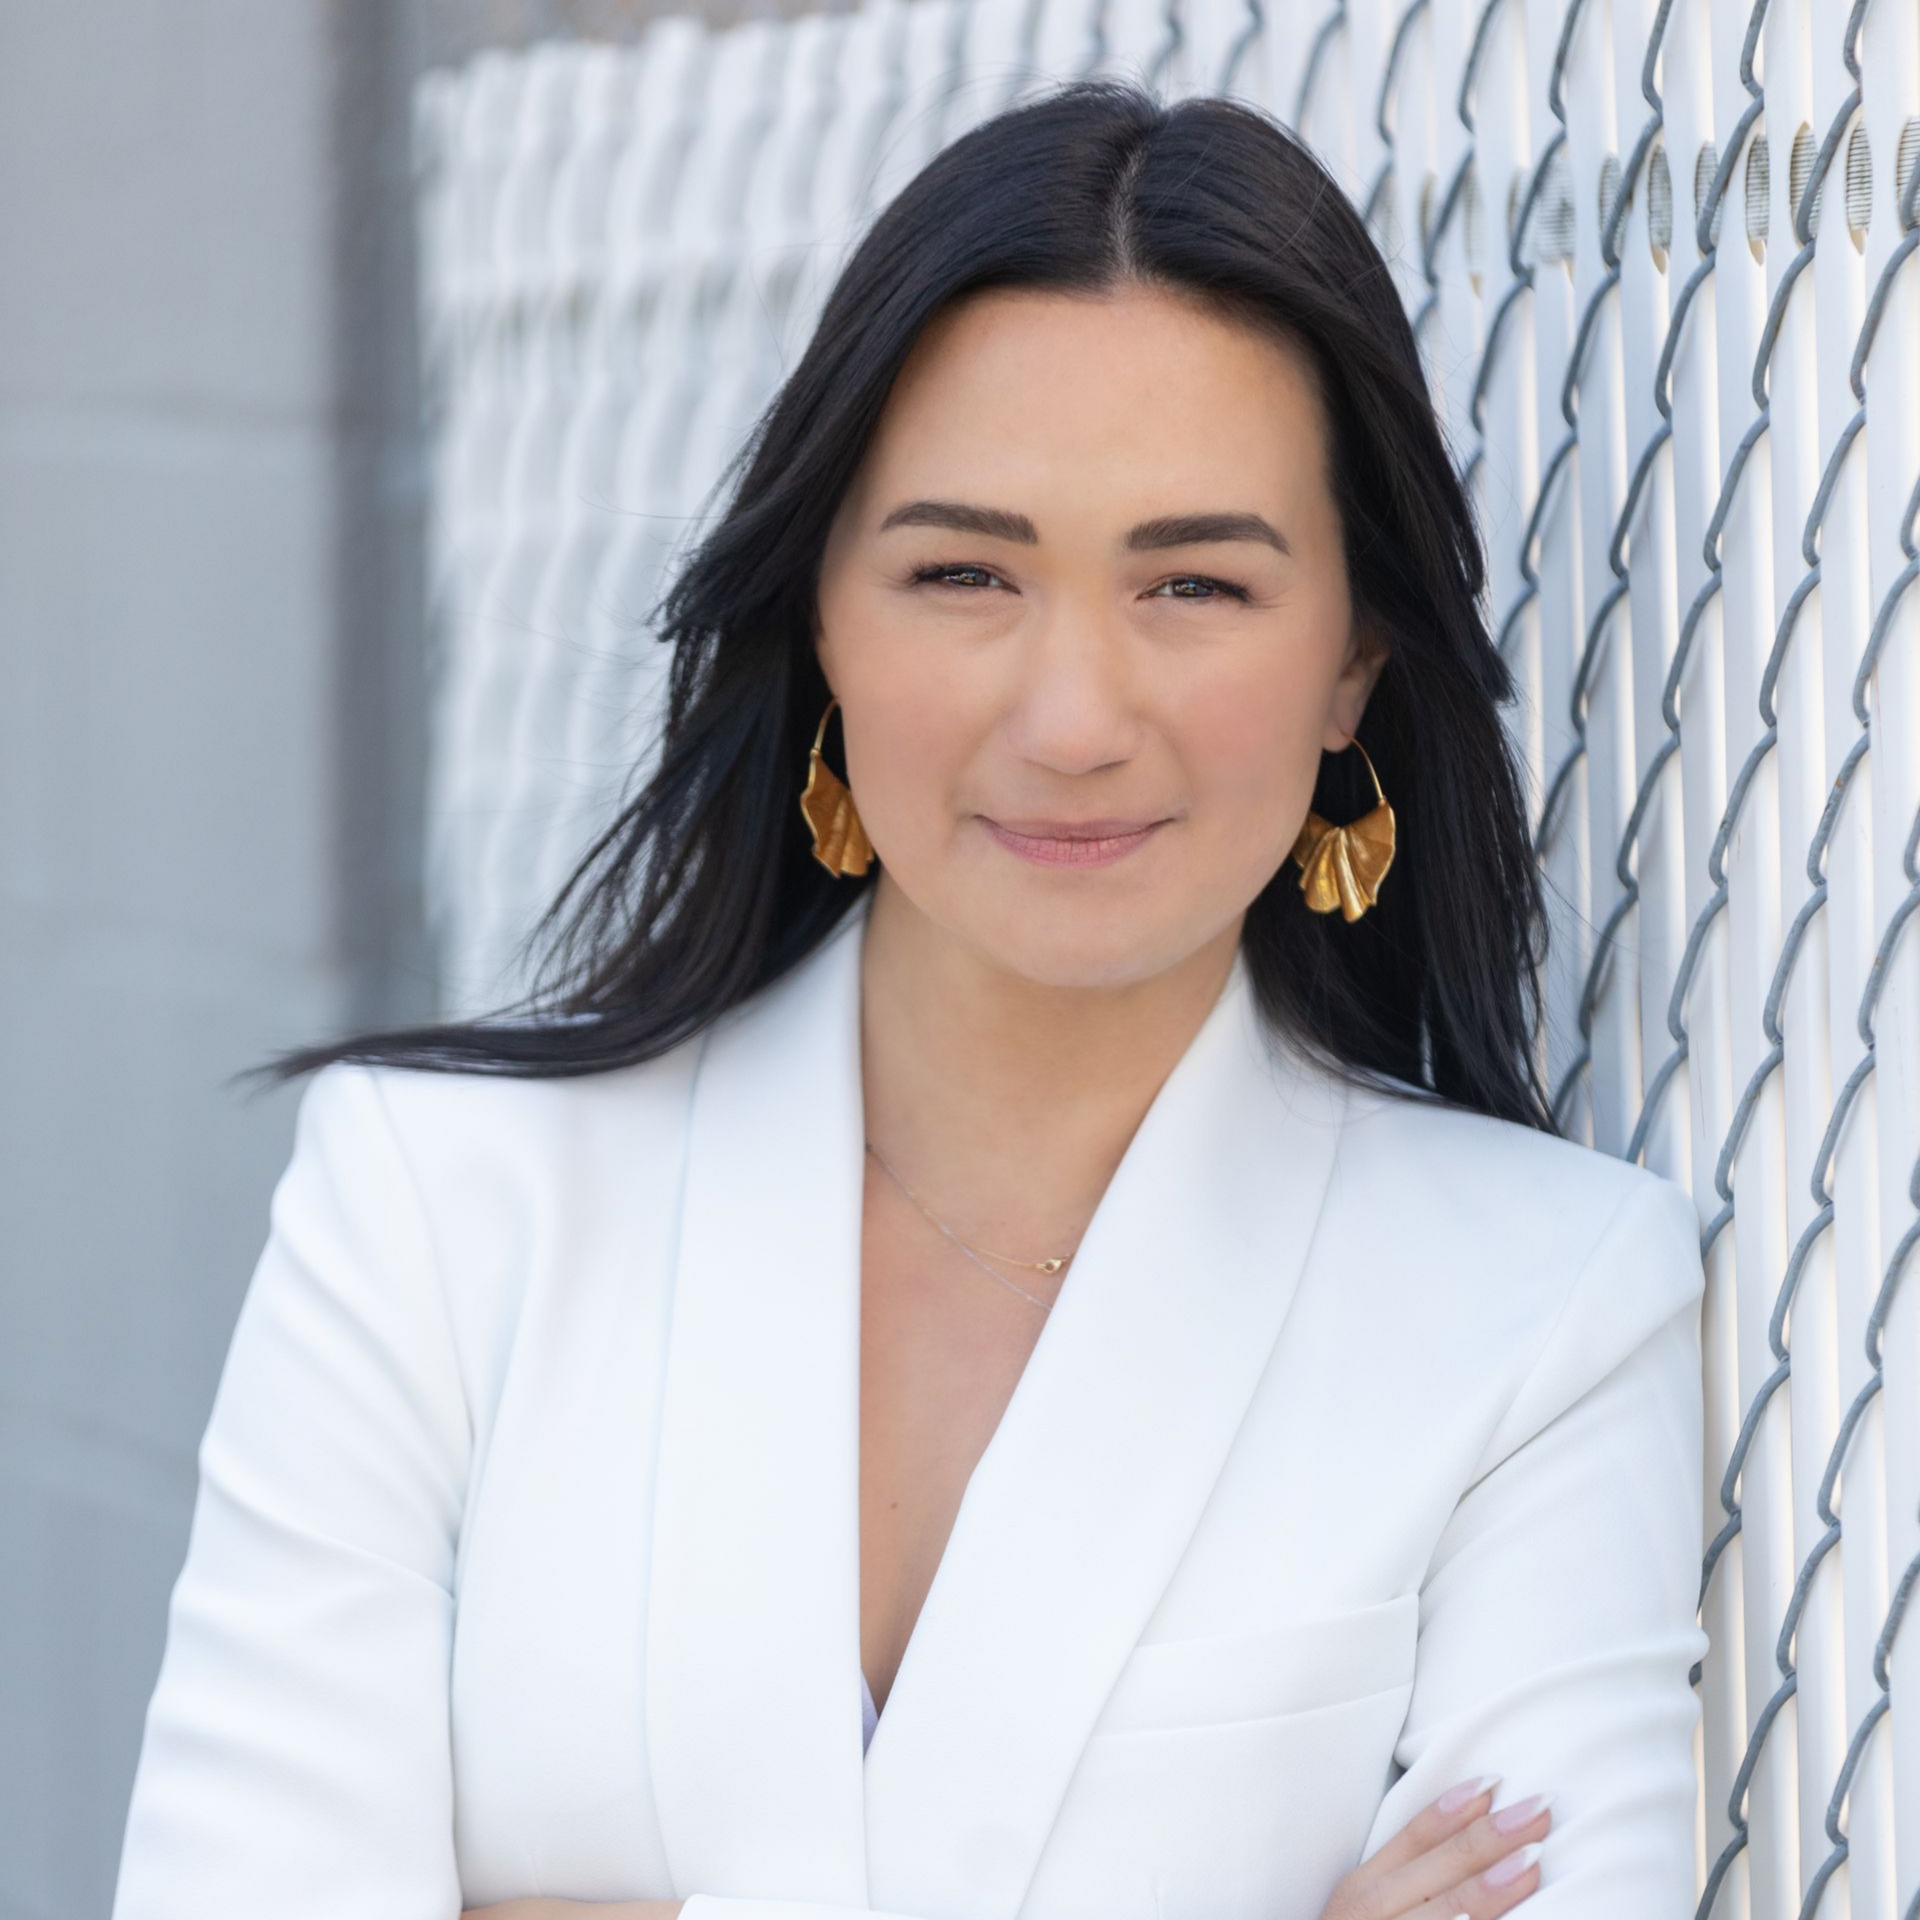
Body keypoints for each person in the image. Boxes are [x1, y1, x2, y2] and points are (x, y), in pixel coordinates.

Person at [109, 75, 1708, 1920]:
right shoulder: (439, 1213)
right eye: (964, 572)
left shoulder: (1542, 1308)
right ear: (822, 627)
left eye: (1195, 582)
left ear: (1354, 663)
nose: (1074, 719)